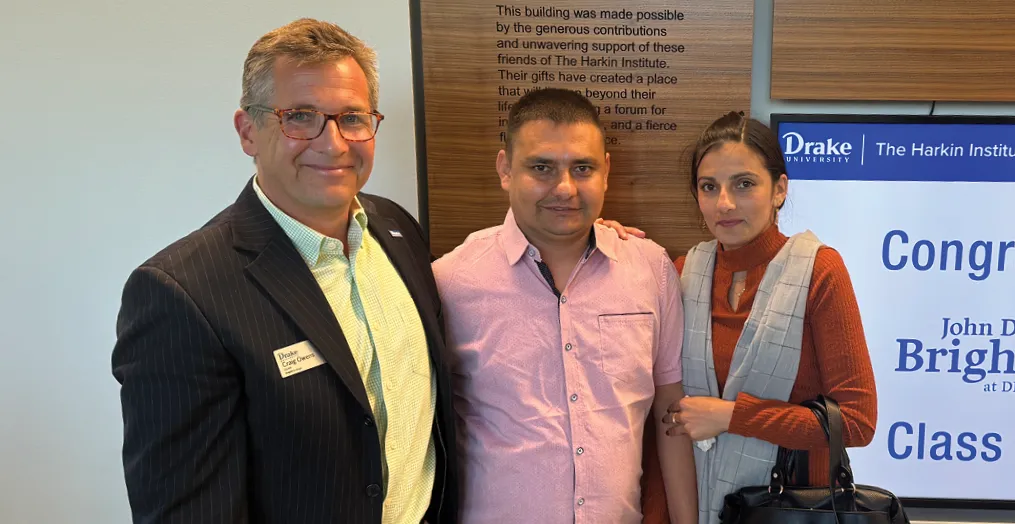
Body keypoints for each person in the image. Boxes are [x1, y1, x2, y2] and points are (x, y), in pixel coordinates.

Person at [111, 19, 457, 523]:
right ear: (248, 131)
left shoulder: (398, 231)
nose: (334, 143)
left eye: (352, 118)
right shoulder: (181, 294)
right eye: (300, 116)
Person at [431, 87, 698, 524]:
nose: (565, 188)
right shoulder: (450, 281)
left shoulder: (651, 269)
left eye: (583, 168)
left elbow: (672, 412)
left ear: (606, 171)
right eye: (542, 167)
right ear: (505, 169)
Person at [646, 111, 878, 523]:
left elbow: (858, 422)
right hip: (693, 505)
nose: (725, 203)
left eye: (744, 184)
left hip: (786, 510)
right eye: (709, 186)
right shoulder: (683, 273)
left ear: (779, 190)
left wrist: (732, 416)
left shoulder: (820, 271)